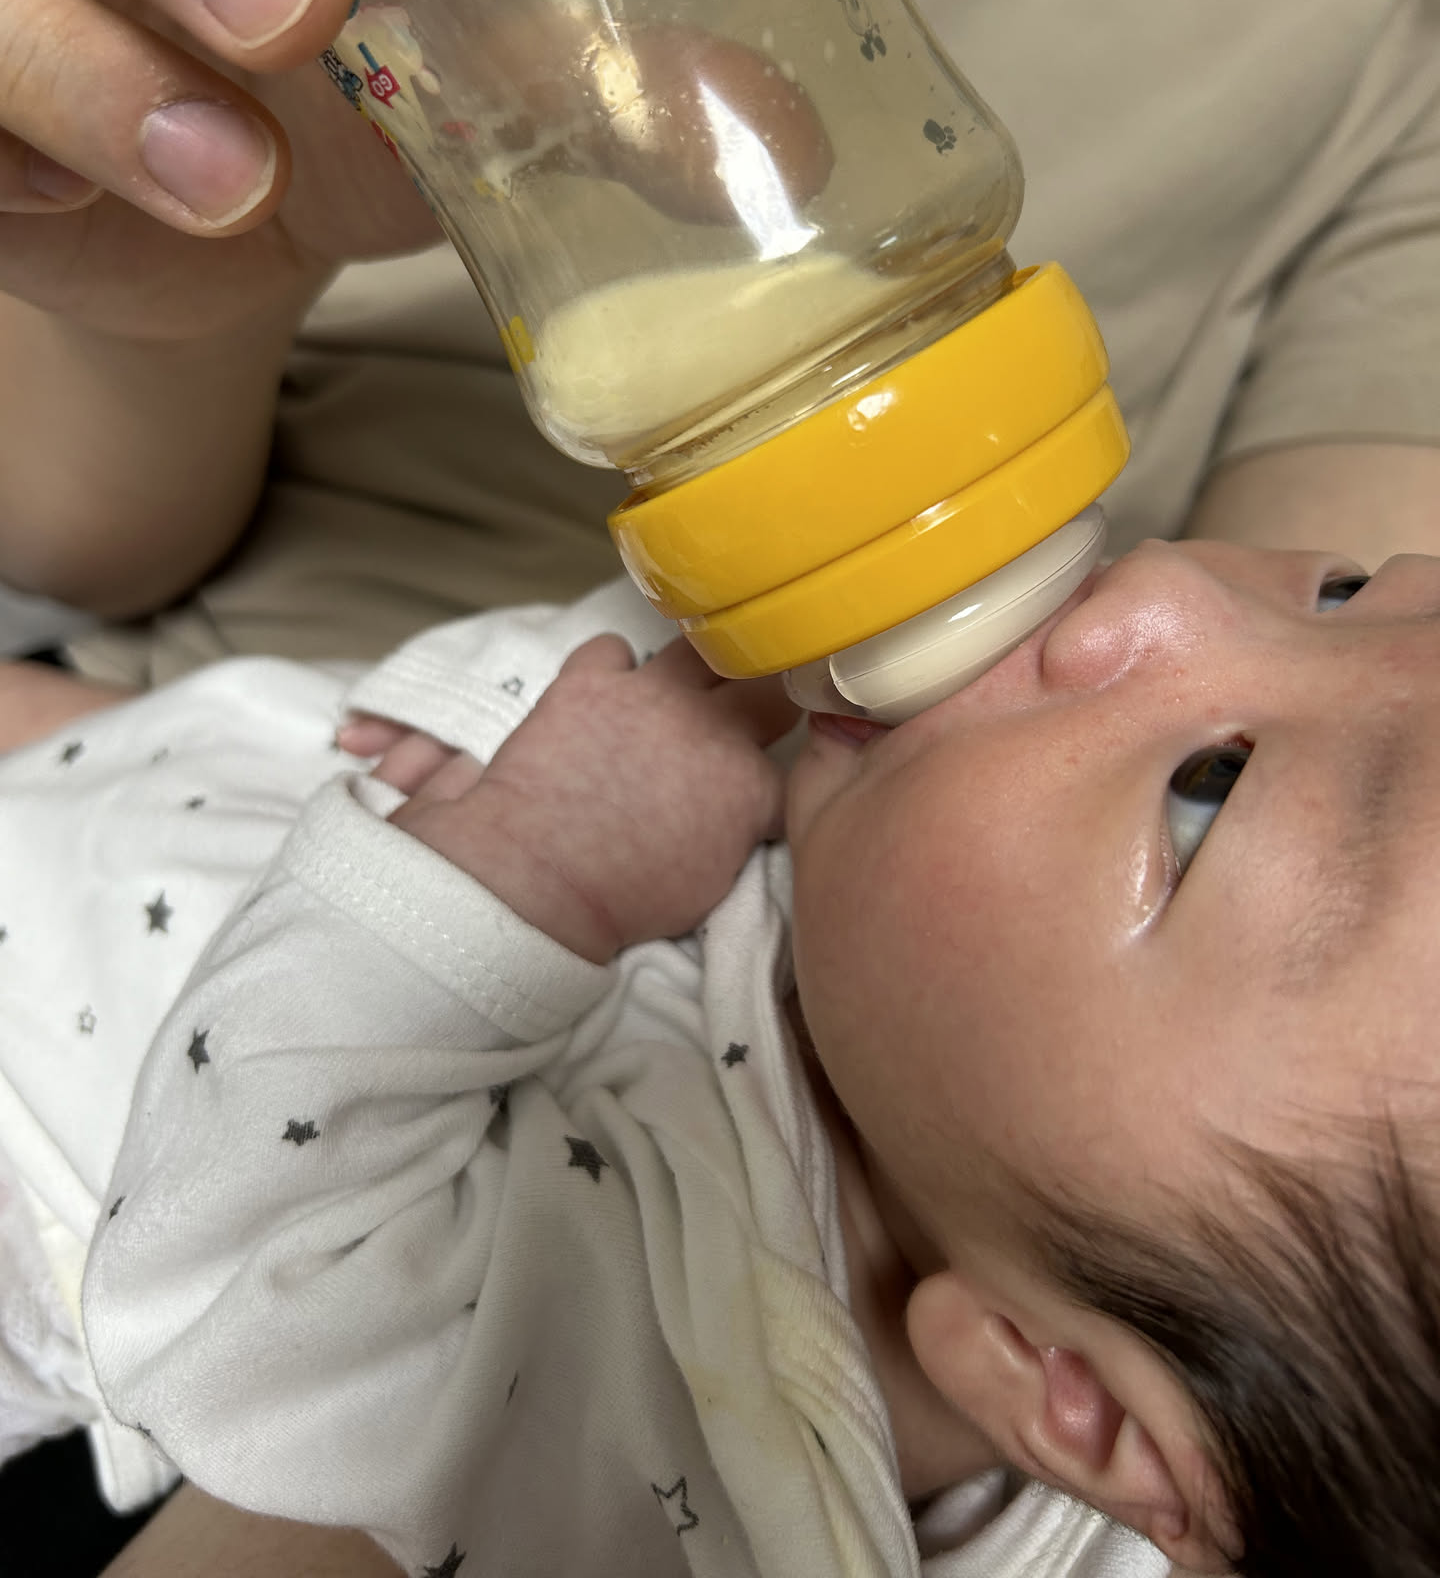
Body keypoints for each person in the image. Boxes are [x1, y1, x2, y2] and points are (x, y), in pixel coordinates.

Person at [2, 0, 1440, 699]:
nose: (1144, 634)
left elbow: (1263, 828)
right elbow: (79, 541)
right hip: (156, 708)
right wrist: (179, 290)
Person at [0, 537, 1413, 1578]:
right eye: (1348, 594)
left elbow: (255, 1296)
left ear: (1074, 1400)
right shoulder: (909, 958)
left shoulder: (711, 1453)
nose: (1162, 583)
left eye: (1209, 796)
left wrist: (533, 867)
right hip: (155, 783)